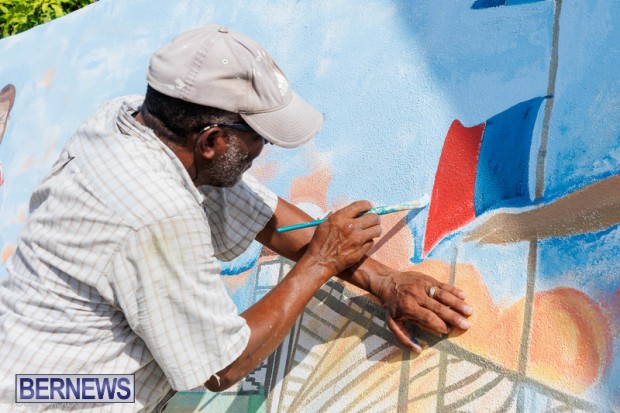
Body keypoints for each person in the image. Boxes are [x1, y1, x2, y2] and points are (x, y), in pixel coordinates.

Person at [0, 25, 472, 411]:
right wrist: (320, 264)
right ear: (211, 142)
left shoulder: (133, 121)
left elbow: (267, 219)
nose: (263, 151)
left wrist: (384, 283)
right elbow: (222, 366)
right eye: (258, 138)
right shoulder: (156, 215)